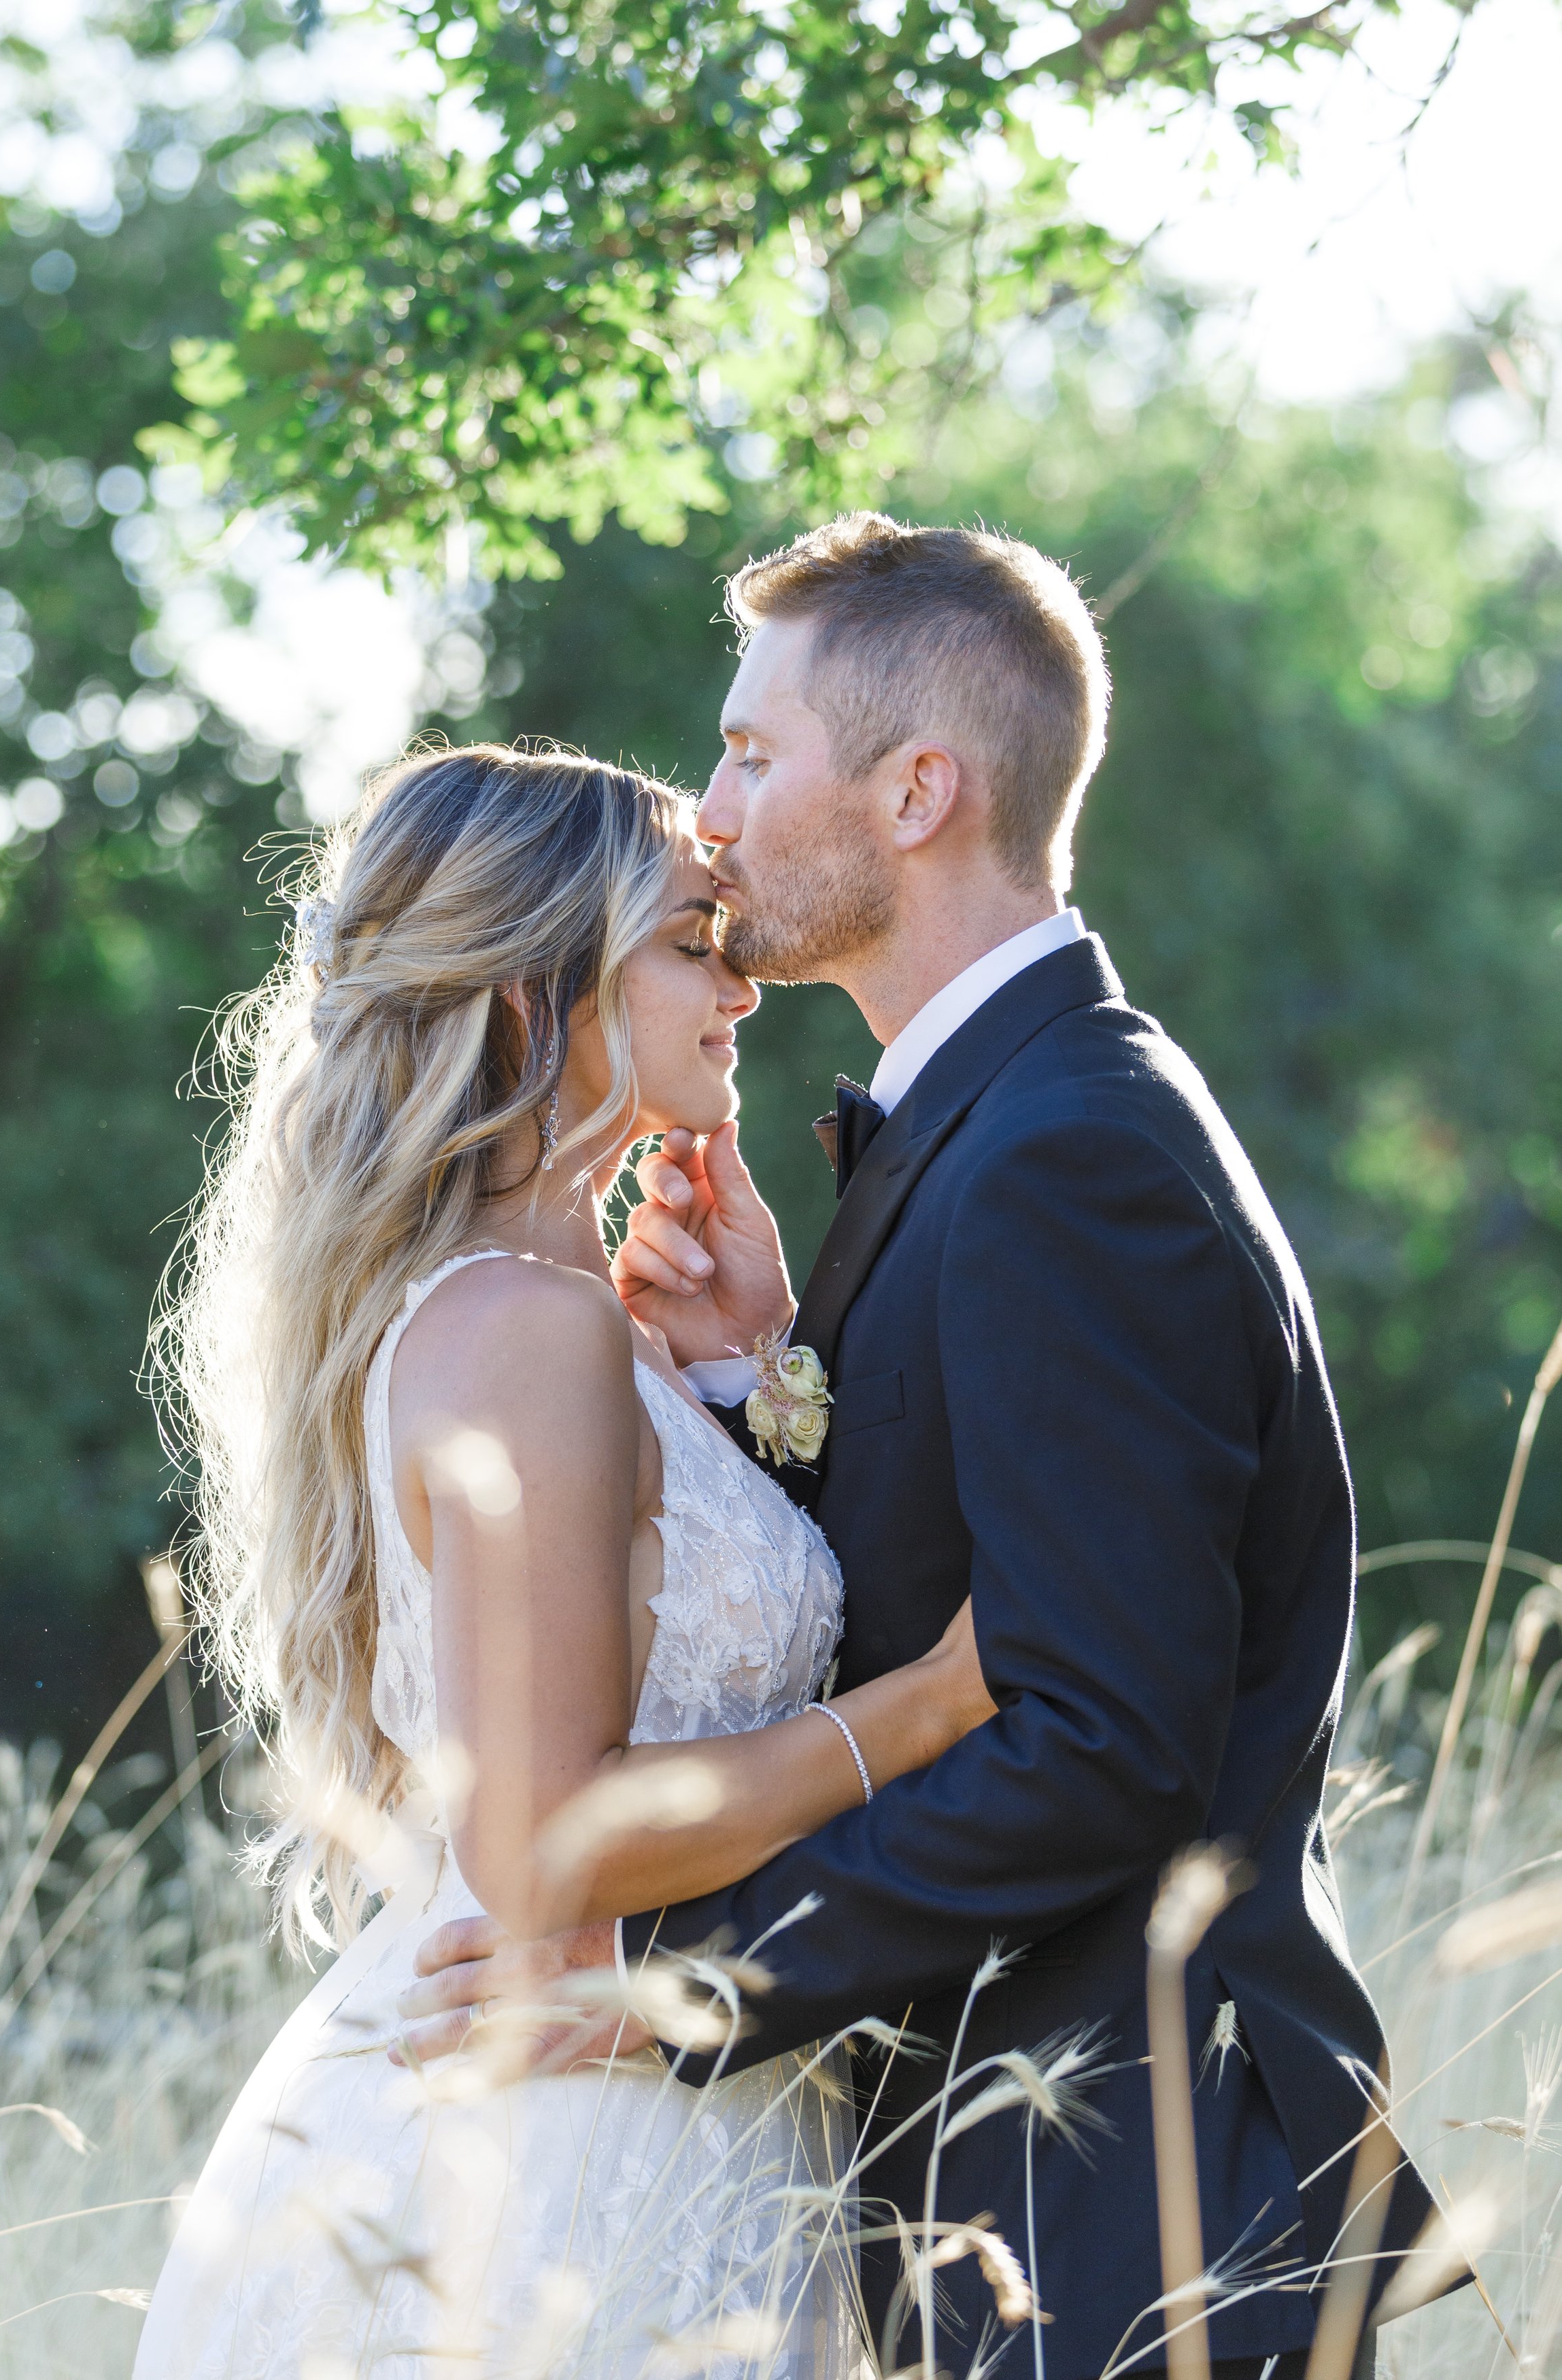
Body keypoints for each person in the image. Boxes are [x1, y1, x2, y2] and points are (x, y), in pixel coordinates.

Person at [398, 520, 1438, 2379]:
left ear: (916, 789)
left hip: (1123, 2211)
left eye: (747, 751)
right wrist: (764, 1394)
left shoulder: (1066, 1151)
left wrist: (674, 1977)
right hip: (1002, 2198)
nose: (707, 814)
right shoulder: (1001, 1115)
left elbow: (1097, 1732)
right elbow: (959, 1581)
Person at [133, 742, 994, 2380]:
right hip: (562, 2155)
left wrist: (754, 1365)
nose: (737, 992)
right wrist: (929, 1705)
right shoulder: (524, 1329)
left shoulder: (550, 1317)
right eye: (690, 942)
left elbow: (686, 1634)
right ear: (536, 1001)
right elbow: (542, 1840)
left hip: (641, 2091)